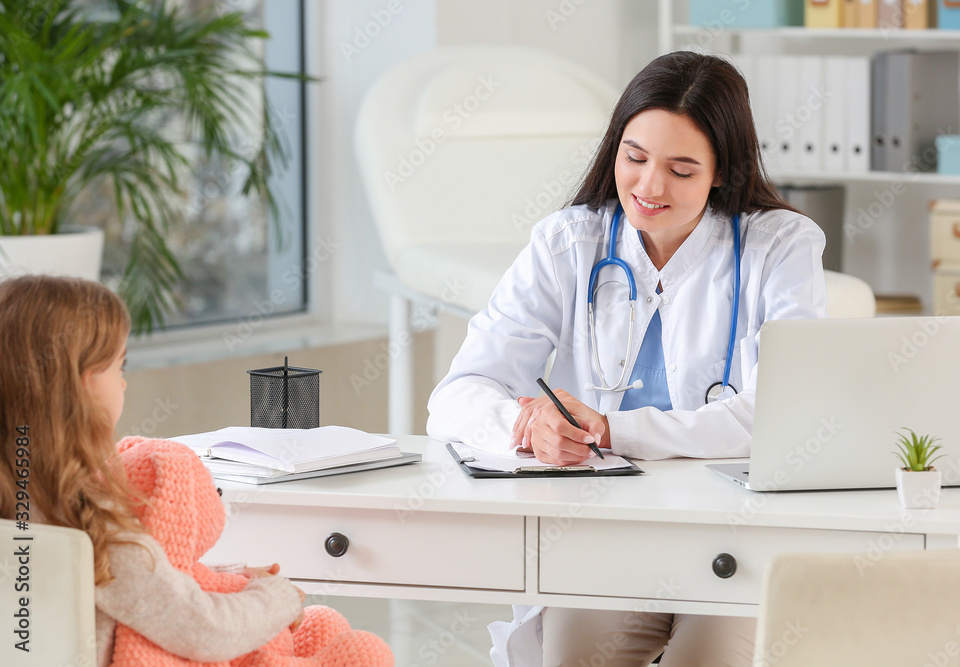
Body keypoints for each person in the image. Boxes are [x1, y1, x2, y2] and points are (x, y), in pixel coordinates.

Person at [426, 51, 827, 666]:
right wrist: (525, 424)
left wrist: (614, 430)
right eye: (634, 158)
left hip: (736, 539)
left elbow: (780, 415)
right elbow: (458, 393)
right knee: (577, 653)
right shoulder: (568, 242)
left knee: (709, 657)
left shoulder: (780, 247)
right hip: (606, 534)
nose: (649, 187)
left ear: (722, 172)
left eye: (682, 169)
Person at [0, 275, 393, 667]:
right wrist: (276, 598)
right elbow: (205, 630)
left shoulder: (22, 501)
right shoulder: (92, 521)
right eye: (119, 366)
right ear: (83, 386)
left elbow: (153, 591)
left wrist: (234, 577)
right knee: (362, 652)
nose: (123, 382)